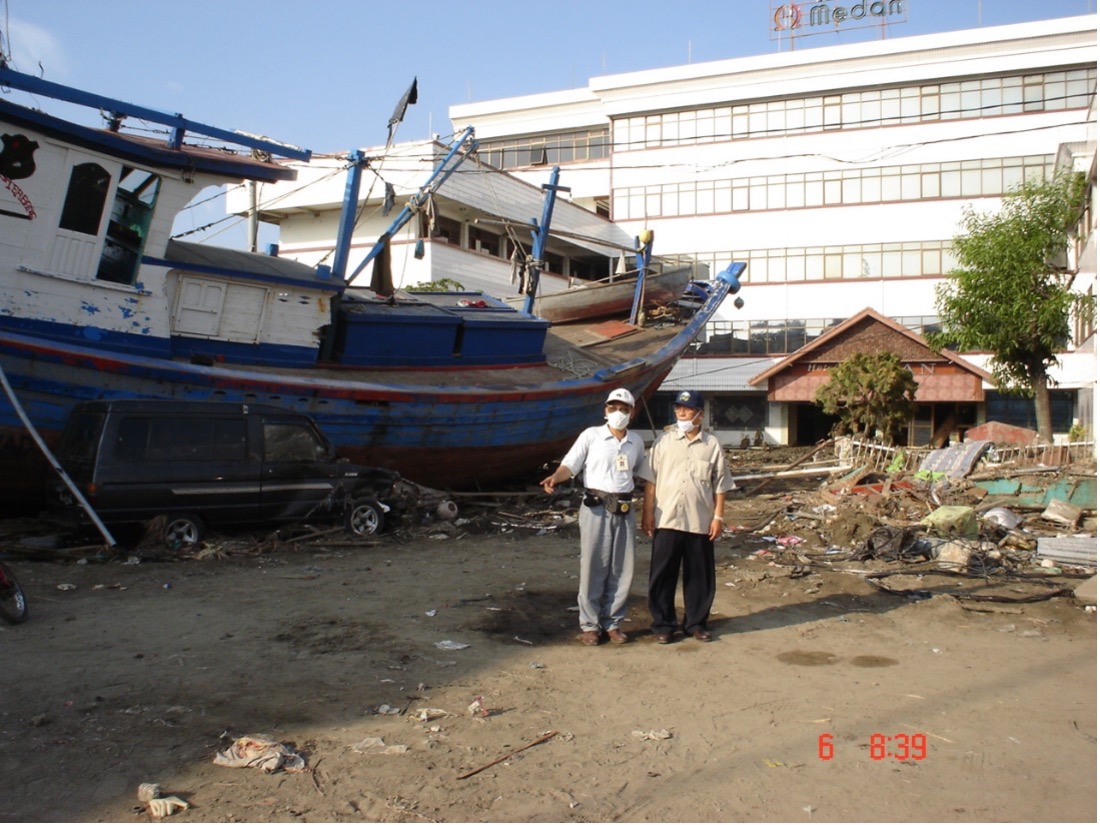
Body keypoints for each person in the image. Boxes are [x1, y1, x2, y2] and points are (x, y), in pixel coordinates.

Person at [541, 388, 646, 646]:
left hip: (623, 508)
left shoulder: (636, 442)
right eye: (613, 408)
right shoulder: (591, 436)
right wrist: (556, 476)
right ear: (605, 410)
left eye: (624, 409)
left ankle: (613, 623)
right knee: (593, 565)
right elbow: (571, 464)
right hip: (595, 506)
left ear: (632, 414)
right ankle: (590, 625)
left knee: (622, 567)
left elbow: (645, 474)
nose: (618, 413)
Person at [640, 389, 736, 644]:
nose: (681, 413)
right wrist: (647, 512)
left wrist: (718, 517)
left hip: (699, 521)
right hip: (667, 518)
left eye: (687, 409)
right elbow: (651, 481)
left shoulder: (712, 445)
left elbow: (721, 485)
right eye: (678, 409)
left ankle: (696, 623)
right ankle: (663, 624)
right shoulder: (663, 442)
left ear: (700, 415)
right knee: (662, 574)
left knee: (699, 576)